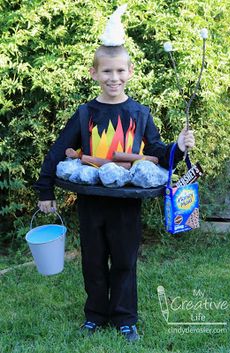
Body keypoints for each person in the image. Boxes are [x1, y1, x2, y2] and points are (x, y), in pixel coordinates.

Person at [34, 6, 195, 342]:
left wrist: (178, 147)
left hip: (126, 205)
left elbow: (157, 155)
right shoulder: (85, 113)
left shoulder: (139, 112)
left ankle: (124, 317)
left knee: (124, 259)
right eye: (106, 71)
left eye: (120, 70)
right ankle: (95, 315)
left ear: (130, 71)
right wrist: (45, 190)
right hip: (91, 203)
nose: (114, 78)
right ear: (94, 73)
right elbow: (57, 150)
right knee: (93, 260)